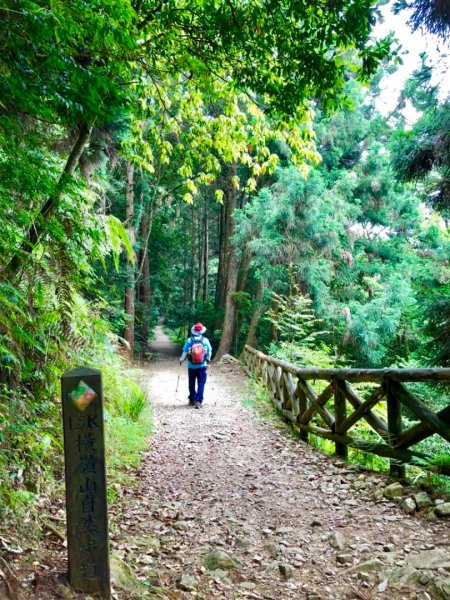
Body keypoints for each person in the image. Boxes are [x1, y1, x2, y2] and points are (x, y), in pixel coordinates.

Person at [179, 322, 212, 409]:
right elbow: (209, 351)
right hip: (202, 365)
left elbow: (185, 351)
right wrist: (208, 358)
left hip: (191, 366)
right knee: (201, 383)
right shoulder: (205, 340)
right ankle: (198, 401)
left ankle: (192, 399)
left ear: (194, 331)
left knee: (191, 382)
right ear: (201, 331)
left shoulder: (190, 340)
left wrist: (181, 360)